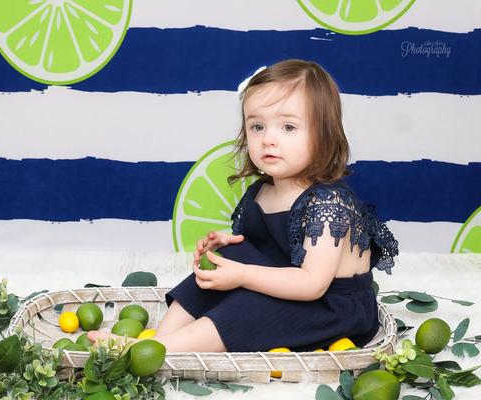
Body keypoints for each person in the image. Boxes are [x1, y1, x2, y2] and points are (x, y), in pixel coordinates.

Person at [89, 59, 398, 352]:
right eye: (257, 127)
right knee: (228, 257)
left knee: (252, 303)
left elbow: (312, 284)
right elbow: (266, 250)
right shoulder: (263, 191)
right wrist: (227, 246)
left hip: (333, 307)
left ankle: (160, 349)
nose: (268, 140)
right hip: (289, 282)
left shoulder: (328, 202)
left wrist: (242, 275)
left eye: (288, 128)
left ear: (324, 135)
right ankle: (162, 339)